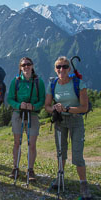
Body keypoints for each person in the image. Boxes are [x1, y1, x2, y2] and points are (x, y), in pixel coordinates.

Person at [44, 56, 92, 199]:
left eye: (65, 66)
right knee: (60, 152)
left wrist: (67, 108)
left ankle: (83, 184)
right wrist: (54, 108)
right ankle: (60, 178)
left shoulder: (78, 83)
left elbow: (84, 107)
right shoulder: (52, 84)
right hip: (60, 121)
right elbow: (46, 106)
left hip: (76, 120)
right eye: (58, 67)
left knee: (77, 154)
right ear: (55, 69)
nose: (61, 69)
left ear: (69, 69)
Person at [6, 57, 45, 181]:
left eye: (28, 64)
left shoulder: (39, 82)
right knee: (17, 142)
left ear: (32, 66)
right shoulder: (16, 81)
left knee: (31, 144)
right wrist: (19, 105)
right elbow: (10, 99)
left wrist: (34, 106)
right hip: (18, 113)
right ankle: (15, 167)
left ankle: (30, 169)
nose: (26, 67)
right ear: (20, 68)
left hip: (32, 114)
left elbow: (42, 100)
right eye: (23, 65)